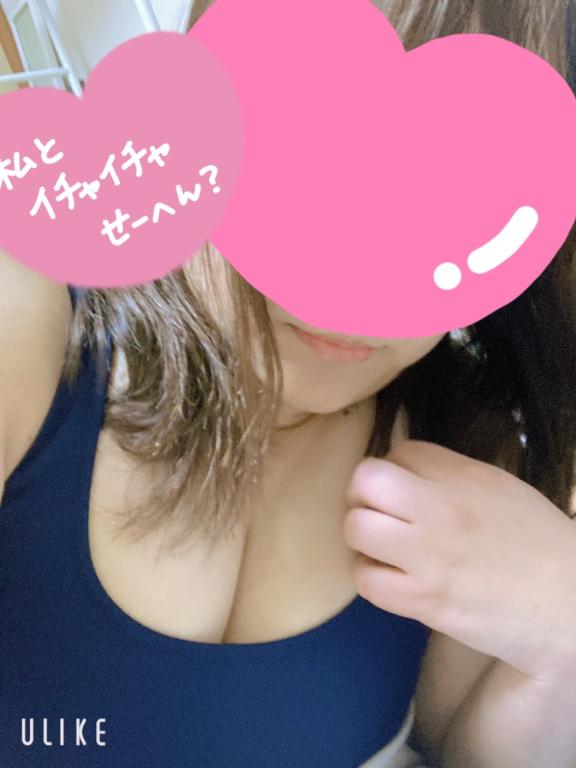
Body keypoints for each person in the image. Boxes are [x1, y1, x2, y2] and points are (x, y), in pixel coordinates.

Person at [1, 1, 575, 767]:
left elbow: (465, 749)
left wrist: (561, 627)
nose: (361, 290)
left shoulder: (472, 440)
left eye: (455, 192)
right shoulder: (33, 321)